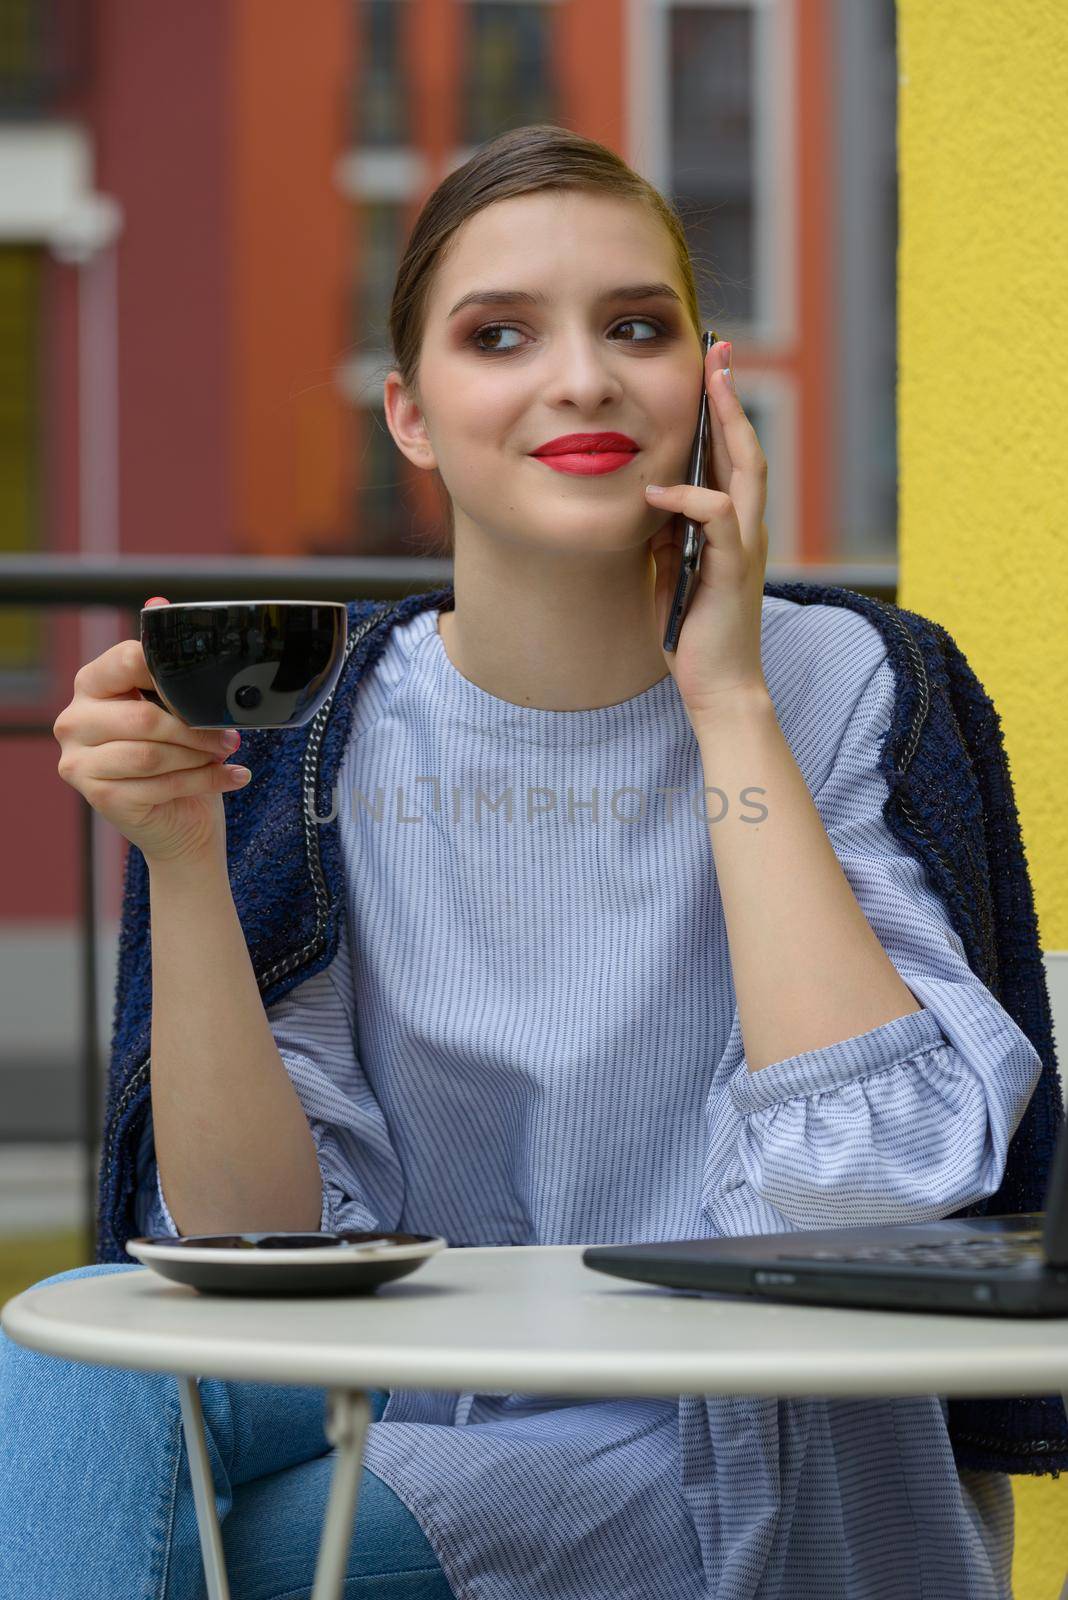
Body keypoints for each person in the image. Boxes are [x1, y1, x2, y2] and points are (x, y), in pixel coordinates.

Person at [2, 123, 1040, 1599]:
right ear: (411, 414)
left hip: (726, 1434)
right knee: (70, 1362)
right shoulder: (322, 739)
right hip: (412, 1385)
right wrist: (181, 853)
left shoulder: (852, 685)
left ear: (709, 382)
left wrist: (728, 698)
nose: (583, 378)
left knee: (197, 1558)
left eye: (638, 326)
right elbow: (255, 1245)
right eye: (501, 335)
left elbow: (869, 1194)